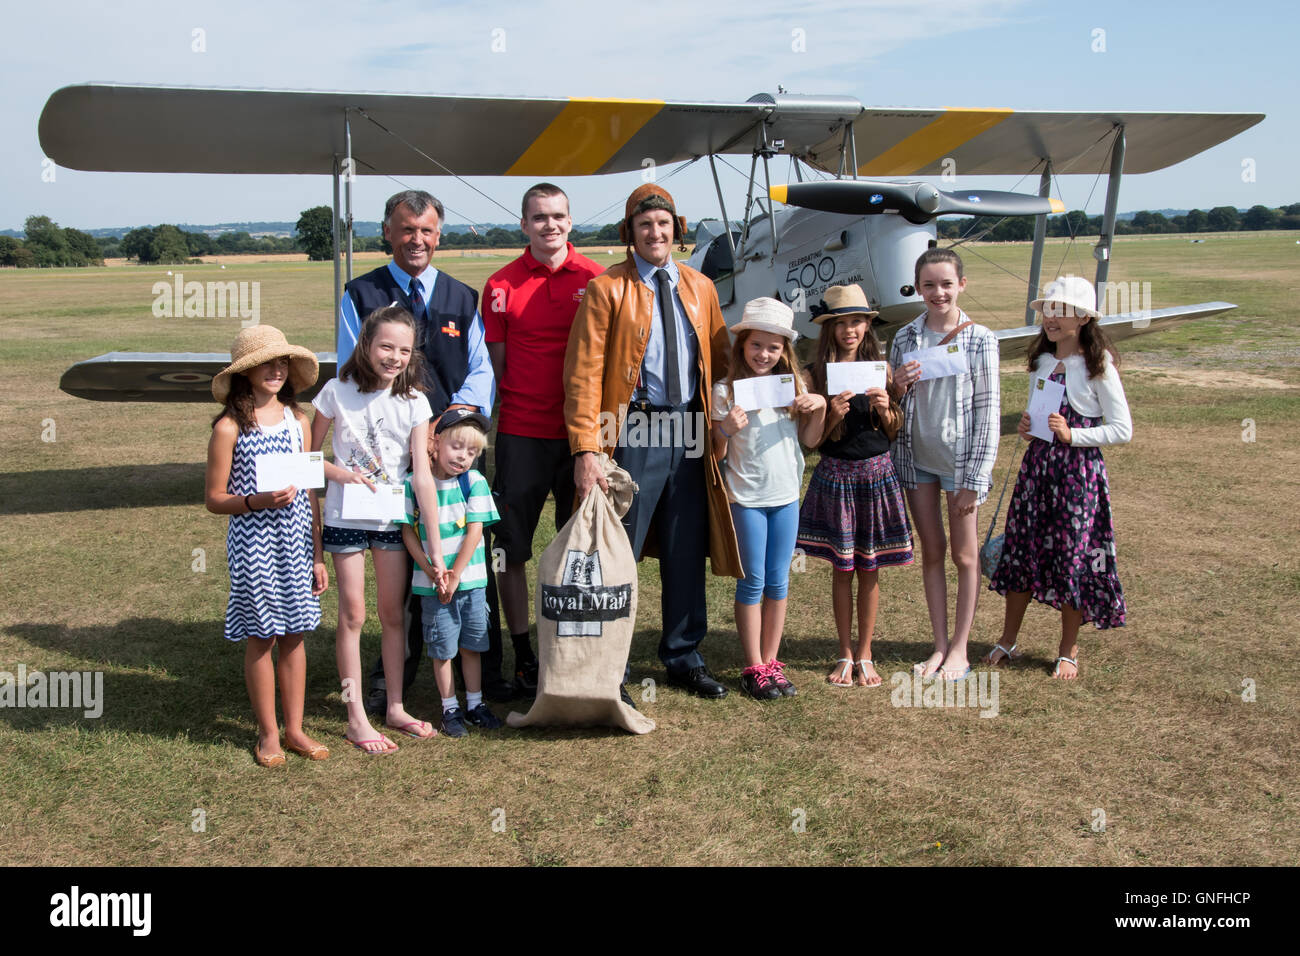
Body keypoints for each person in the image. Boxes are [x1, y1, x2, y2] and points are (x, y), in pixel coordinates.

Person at [564, 183, 743, 702]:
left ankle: (684, 656)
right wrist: (586, 449)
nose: (656, 232)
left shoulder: (700, 287)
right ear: (630, 233)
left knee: (686, 545)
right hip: (633, 428)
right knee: (616, 549)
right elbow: (583, 375)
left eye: (664, 224)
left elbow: (721, 359)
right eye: (645, 225)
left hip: (689, 427)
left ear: (676, 230)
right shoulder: (606, 289)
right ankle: (607, 662)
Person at [337, 190, 511, 710]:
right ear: (388, 232)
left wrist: (451, 421)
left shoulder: (462, 296)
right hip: (391, 454)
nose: (417, 239)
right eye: (406, 229)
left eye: (427, 230)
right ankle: (392, 677)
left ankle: (484, 671)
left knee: (470, 550)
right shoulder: (360, 293)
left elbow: (481, 369)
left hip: (455, 449)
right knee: (405, 558)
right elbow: (353, 369)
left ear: (440, 235)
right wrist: (414, 425)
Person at [482, 183, 603, 696]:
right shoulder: (501, 284)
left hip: (582, 437)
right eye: (538, 217)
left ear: (570, 221)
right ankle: (526, 654)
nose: (549, 225)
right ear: (524, 224)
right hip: (521, 434)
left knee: (579, 549)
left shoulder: (597, 278)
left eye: (557, 216)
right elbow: (498, 366)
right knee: (511, 550)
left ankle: (571, 652)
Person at [987, 276, 1131, 679]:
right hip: (1037, 470)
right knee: (1021, 551)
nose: (1052, 317)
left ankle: (1068, 649)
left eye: (1062, 310)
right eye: (1049, 309)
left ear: (1083, 318)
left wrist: (1074, 435)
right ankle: (1008, 639)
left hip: (1077, 476)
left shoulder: (1098, 368)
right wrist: (1029, 428)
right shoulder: (1043, 362)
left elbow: (1122, 429)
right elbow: (1040, 412)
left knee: (1073, 556)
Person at [311, 306, 438, 754]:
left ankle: (396, 707)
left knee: (392, 616)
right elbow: (308, 463)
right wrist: (339, 476)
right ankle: (355, 717)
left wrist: (435, 544)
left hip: (392, 522)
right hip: (345, 520)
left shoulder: (416, 402)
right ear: (365, 344)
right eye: (386, 346)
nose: (394, 357)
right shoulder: (335, 392)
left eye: (404, 349)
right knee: (352, 616)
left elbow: (421, 473)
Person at [204, 325, 329, 766]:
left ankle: (295, 728)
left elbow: (312, 491)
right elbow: (214, 499)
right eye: (266, 363)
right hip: (254, 542)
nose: (276, 370)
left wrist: (317, 554)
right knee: (262, 635)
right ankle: (268, 733)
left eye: (282, 362)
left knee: (295, 635)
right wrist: (255, 501)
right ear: (245, 372)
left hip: (297, 541)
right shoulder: (229, 427)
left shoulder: (300, 421)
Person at [890, 249, 1000, 682]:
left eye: (947, 284)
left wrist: (974, 478)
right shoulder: (903, 338)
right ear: (918, 288)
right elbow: (893, 405)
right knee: (932, 553)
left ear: (962, 285)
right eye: (930, 285)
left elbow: (988, 412)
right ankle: (938, 646)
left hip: (960, 466)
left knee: (965, 555)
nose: (939, 293)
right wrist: (896, 386)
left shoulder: (980, 338)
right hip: (916, 461)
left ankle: (961, 649)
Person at [797, 285, 915, 689]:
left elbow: (893, 431)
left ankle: (866, 652)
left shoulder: (880, 369)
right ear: (829, 329)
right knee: (842, 569)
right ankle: (844, 652)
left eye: (857, 321)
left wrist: (886, 408)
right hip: (836, 477)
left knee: (871, 568)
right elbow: (812, 441)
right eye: (842, 323)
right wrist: (831, 415)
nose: (850, 330)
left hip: (877, 476)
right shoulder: (815, 375)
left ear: (868, 325)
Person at [711, 298, 826, 700]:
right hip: (746, 499)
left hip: (785, 498)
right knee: (753, 581)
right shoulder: (725, 391)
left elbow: (810, 442)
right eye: (756, 345)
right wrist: (724, 430)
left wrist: (820, 409)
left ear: (785, 351)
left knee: (778, 581)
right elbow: (716, 455)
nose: (764, 354)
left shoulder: (793, 387)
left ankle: (772, 662)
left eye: (773, 348)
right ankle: (753, 665)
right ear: (742, 344)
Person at [399, 408, 504, 735]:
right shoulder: (414, 484)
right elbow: (408, 532)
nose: (463, 456)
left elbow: (475, 533)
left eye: (472, 451)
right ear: (436, 442)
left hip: (470, 583)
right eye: (457, 446)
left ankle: (474, 704)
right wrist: (432, 572)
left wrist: (455, 574)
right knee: (442, 649)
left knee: (472, 645)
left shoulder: (475, 482)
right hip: (433, 587)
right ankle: (450, 709)